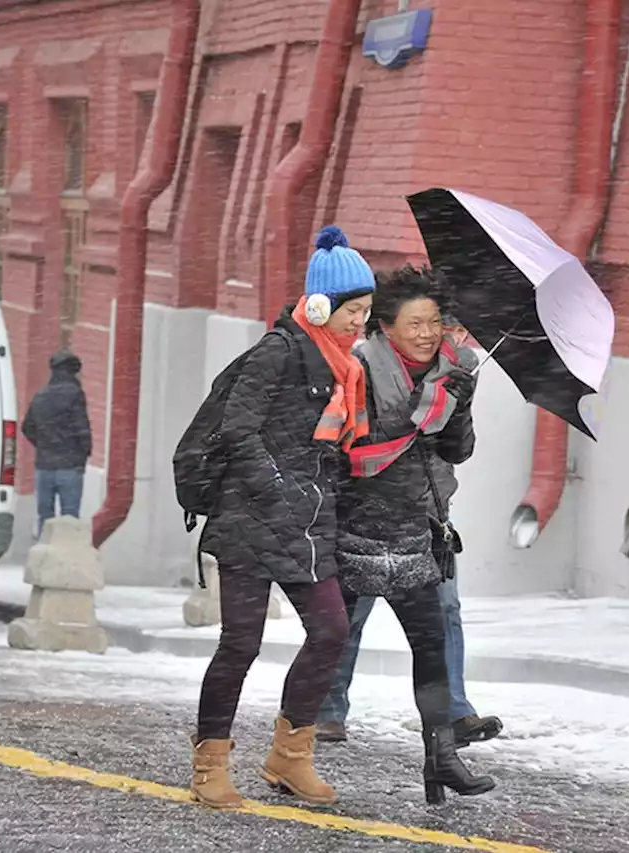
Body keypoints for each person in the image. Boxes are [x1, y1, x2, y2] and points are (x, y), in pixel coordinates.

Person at [189, 226, 373, 809]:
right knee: (240, 644)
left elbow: (332, 446)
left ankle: (290, 757)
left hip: (307, 523)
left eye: (367, 311)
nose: (361, 322)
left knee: (332, 633)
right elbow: (236, 430)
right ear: (320, 305)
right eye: (354, 310)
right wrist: (274, 488)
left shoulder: (346, 368)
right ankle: (209, 766)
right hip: (252, 521)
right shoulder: (279, 351)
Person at [332, 264, 496, 804]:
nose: (428, 334)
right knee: (337, 628)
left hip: (423, 521)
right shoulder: (359, 366)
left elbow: (456, 452)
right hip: (359, 520)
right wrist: (425, 405)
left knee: (434, 632)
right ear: (385, 326)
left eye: (435, 322)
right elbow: (355, 445)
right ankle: (313, 725)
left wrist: (459, 404)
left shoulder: (454, 368)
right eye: (415, 323)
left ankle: (443, 750)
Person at [21, 350, 92, 537]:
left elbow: (27, 426)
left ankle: (44, 555)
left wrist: (44, 444)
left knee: (45, 518)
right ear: (73, 371)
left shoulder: (41, 395)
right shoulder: (75, 394)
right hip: (70, 465)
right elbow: (81, 428)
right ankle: (65, 558)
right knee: (69, 520)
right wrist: (82, 454)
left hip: (44, 465)